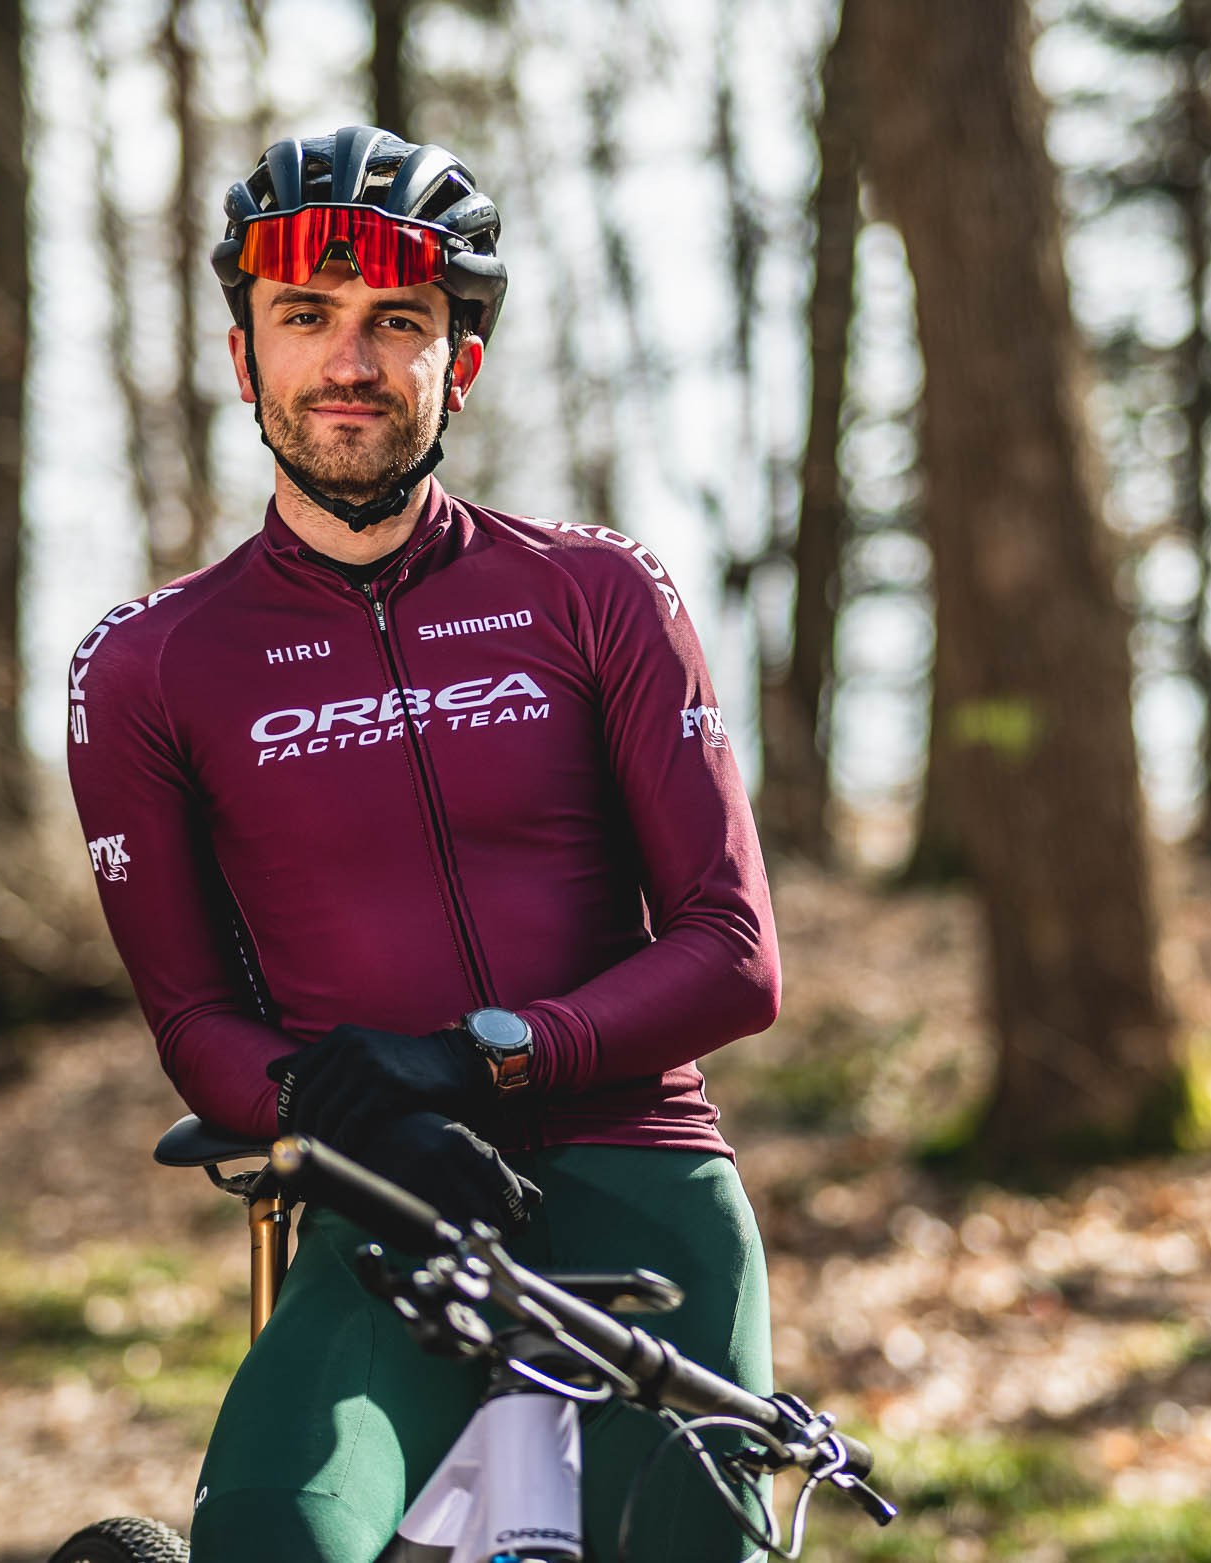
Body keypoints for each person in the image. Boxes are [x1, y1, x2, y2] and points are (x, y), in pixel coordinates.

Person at [64, 125, 781, 1563]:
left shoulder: (594, 594)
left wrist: (470, 1057)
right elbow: (195, 1016)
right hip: (378, 1207)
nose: (350, 360)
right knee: (272, 1541)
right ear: (241, 355)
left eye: (400, 321)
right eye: (305, 317)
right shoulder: (147, 665)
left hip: (641, 1187)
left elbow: (732, 955)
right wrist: (368, 1115)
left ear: (458, 359)